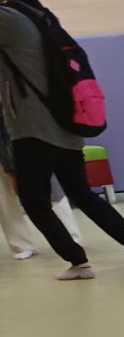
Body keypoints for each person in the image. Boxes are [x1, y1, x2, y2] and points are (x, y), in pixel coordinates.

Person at [0, 0, 124, 279]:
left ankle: (78, 263)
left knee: (34, 201)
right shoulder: (42, 14)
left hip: (33, 128)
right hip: (66, 124)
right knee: (82, 193)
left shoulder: (7, 18)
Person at [1, 109, 81, 258]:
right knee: (3, 197)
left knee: (49, 186)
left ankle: (70, 235)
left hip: (24, 129)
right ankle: (21, 245)